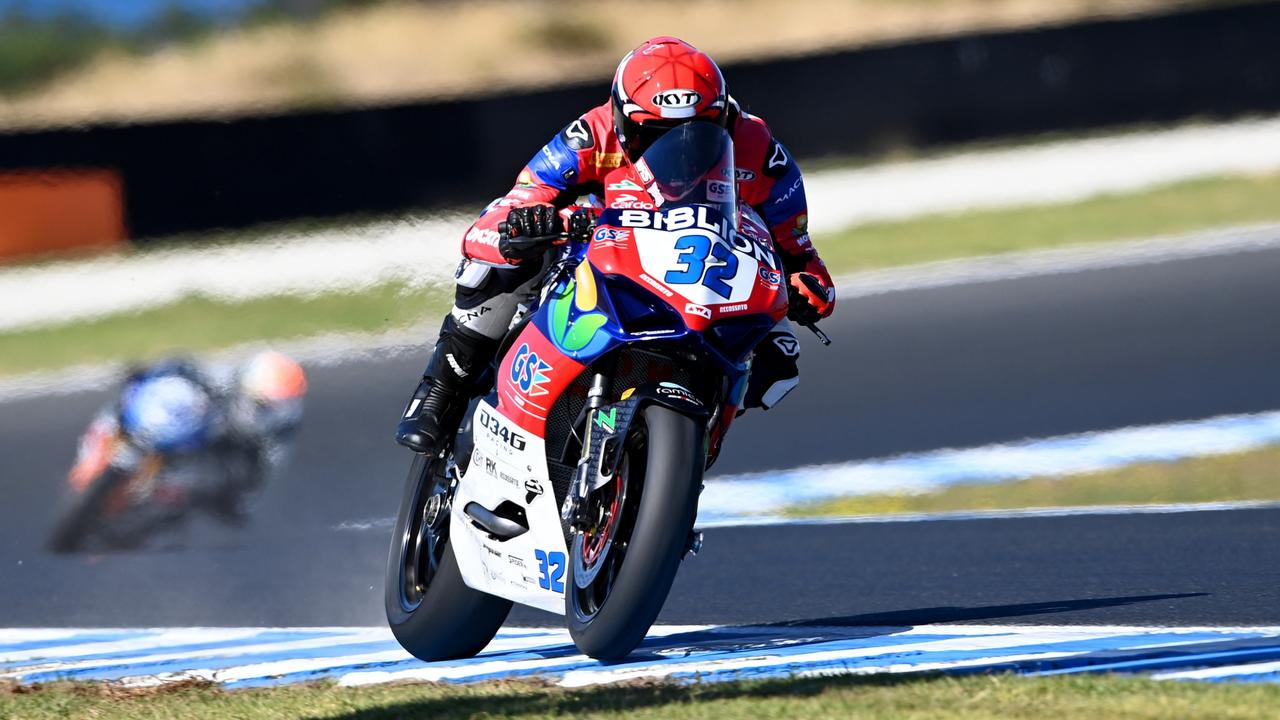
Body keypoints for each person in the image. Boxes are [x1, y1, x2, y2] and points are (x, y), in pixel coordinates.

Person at [396, 36, 836, 455]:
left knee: (779, 354)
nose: (680, 150)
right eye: (657, 135)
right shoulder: (591, 134)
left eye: (698, 133)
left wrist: (809, 288)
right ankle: (443, 386)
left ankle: (683, 450)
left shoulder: (761, 152)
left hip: (706, 276)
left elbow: (800, 255)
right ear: (623, 120)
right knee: (502, 262)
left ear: (725, 121)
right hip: (607, 254)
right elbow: (509, 207)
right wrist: (529, 224)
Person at [71, 350, 307, 528]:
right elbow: (182, 365)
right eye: (260, 399)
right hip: (192, 421)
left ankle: (166, 502)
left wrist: (244, 489)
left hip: (219, 447)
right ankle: (98, 450)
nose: (263, 406)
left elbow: (271, 461)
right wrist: (148, 374)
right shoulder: (226, 375)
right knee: (130, 405)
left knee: (228, 493)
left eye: (271, 402)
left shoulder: (283, 419)